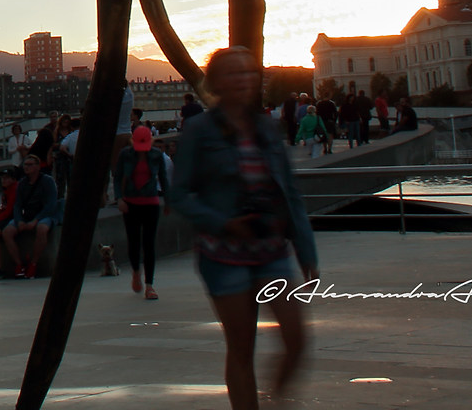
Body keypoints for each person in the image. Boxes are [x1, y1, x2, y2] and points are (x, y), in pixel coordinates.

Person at [172, 47, 319, 410]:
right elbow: (178, 194)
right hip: (223, 254)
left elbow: (289, 191)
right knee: (241, 350)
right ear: (217, 82)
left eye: (250, 72)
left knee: (297, 340)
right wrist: (223, 223)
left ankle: (274, 401)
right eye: (234, 73)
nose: (244, 79)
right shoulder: (199, 130)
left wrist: (306, 250)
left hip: (271, 251)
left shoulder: (266, 127)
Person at [113, 123, 170, 301]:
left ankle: (150, 285)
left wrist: (168, 200)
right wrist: (120, 198)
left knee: (149, 243)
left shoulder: (156, 155)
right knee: (134, 241)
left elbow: (163, 178)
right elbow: (117, 177)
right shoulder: (126, 155)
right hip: (131, 202)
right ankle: (136, 272)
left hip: (150, 201)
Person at [0, 149, 59, 278]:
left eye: (30, 165)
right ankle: (19, 264)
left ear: (38, 167)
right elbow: (17, 205)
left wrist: (36, 220)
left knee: (42, 229)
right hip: (27, 215)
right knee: (7, 231)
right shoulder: (22, 184)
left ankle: (34, 263)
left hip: (44, 215)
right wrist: (19, 220)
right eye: (25, 165)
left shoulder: (48, 181)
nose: (27, 168)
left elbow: (51, 205)